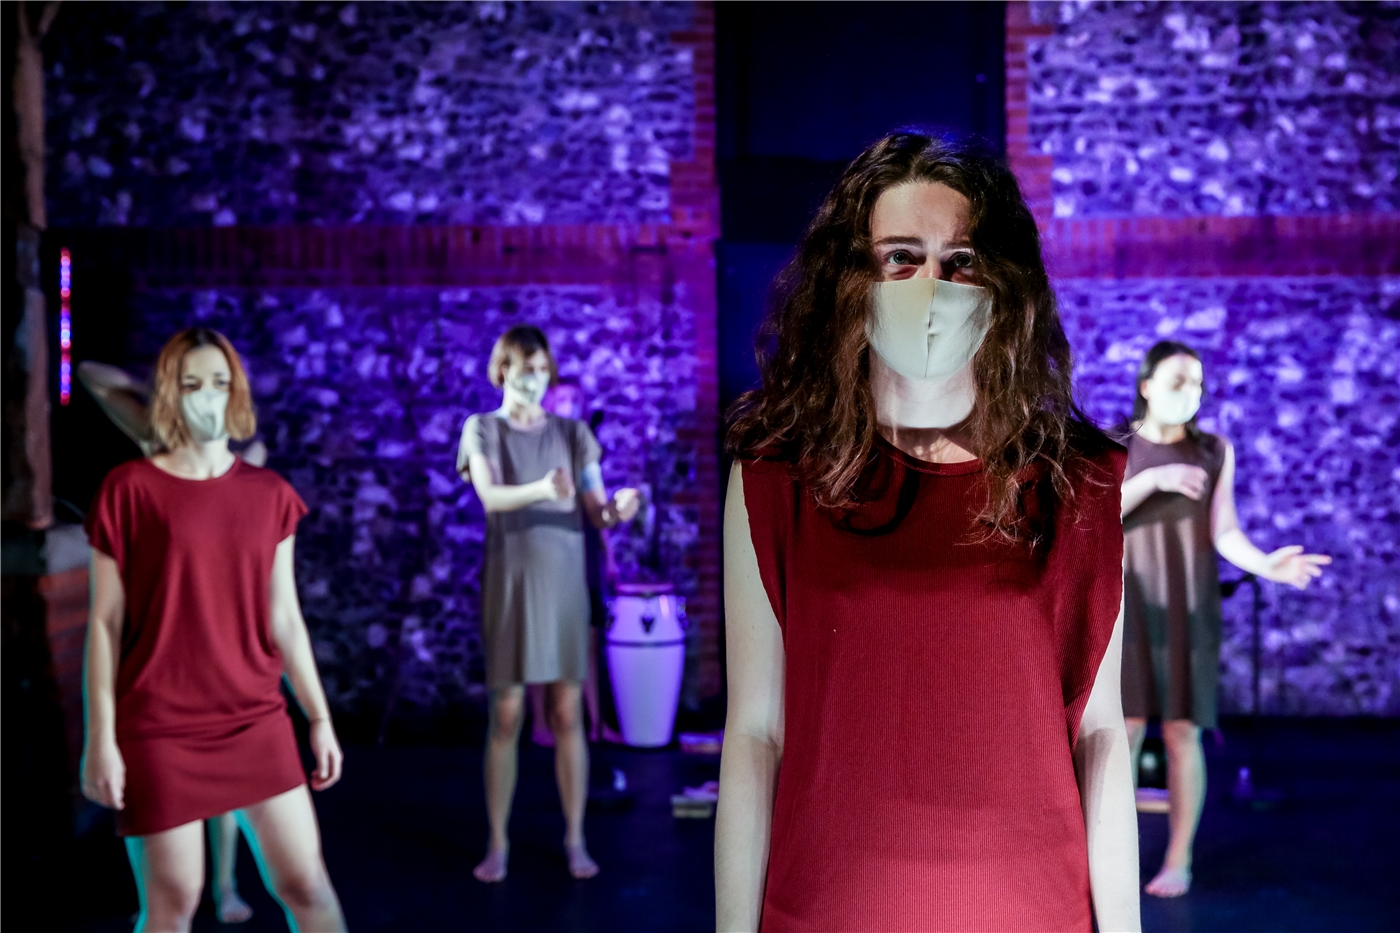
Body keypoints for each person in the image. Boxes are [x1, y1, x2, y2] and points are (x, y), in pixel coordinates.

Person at [716, 132, 1140, 932]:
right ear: (853, 277)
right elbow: (755, 734)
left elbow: (1100, 734)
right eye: (901, 257)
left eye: (961, 260)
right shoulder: (778, 479)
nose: (932, 286)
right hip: (831, 905)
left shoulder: (1079, 484)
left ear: (1002, 280)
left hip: (1026, 906)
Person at [80, 329, 346, 932]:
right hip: (159, 725)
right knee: (173, 905)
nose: (208, 396)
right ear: (169, 394)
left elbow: (285, 618)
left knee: (307, 886)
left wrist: (318, 717)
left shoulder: (270, 494)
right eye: (192, 383)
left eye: (220, 383)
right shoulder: (129, 489)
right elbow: (104, 622)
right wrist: (101, 738)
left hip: (255, 719)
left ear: (237, 392)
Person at [1119, 340, 1330, 898]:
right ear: (1146, 385)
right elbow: (1096, 513)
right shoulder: (1115, 446)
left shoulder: (1213, 450)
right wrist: (1155, 481)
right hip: (1127, 603)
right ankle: (1110, 860)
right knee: (1123, 731)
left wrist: (1266, 564)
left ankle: (1178, 860)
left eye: (1196, 383)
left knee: (1182, 729)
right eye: (1177, 381)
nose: (1190, 392)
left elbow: (1224, 529)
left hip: (1189, 603)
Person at [78, 359, 262, 925]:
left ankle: (225, 887)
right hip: (162, 639)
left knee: (227, 789)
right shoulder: (156, 441)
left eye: (218, 384)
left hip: (223, 636)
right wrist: (153, 391)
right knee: (163, 783)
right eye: (193, 384)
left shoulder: (247, 456)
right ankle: (164, 896)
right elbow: (88, 373)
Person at [457, 326, 641, 882]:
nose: (535, 380)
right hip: (511, 581)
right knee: (507, 712)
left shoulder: (573, 434)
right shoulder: (482, 428)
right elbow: (490, 496)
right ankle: (497, 842)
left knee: (566, 712)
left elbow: (594, 509)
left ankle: (575, 838)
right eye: (525, 369)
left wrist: (617, 510)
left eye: (542, 370)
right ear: (503, 371)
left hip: (563, 584)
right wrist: (541, 488)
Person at [529, 380, 623, 747]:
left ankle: (596, 724)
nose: (568, 404)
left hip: (582, 551)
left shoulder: (584, 450)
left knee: (587, 638)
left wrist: (609, 556)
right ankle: (541, 725)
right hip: (546, 548)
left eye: (574, 399)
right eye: (562, 398)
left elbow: (597, 507)